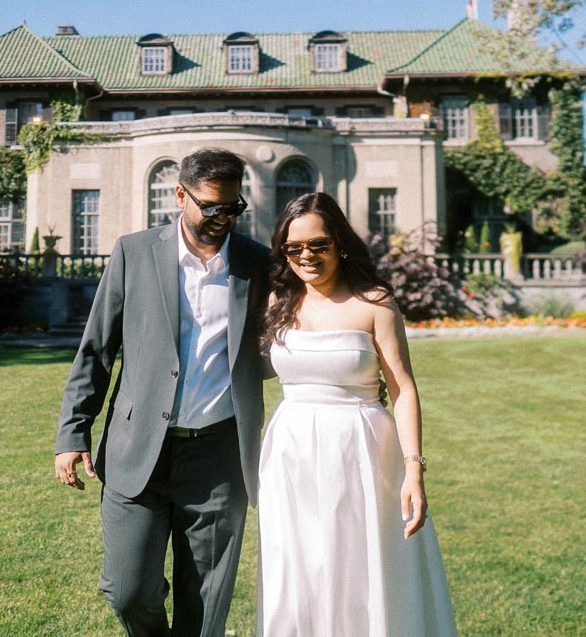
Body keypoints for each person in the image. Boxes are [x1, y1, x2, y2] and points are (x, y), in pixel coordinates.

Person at [54, 147, 271, 637]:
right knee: (129, 590)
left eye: (233, 208)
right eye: (212, 207)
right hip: (138, 455)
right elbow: (96, 349)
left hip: (219, 459)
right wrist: (73, 433)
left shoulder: (257, 263)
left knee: (206, 604)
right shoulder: (133, 252)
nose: (223, 218)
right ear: (180, 195)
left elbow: (292, 332)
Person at [256, 191, 457, 636]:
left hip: (362, 453)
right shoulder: (279, 303)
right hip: (291, 457)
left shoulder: (374, 302)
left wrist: (414, 469)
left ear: (340, 243)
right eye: (294, 248)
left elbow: (403, 387)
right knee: (298, 571)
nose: (305, 256)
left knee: (361, 571)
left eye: (318, 245)